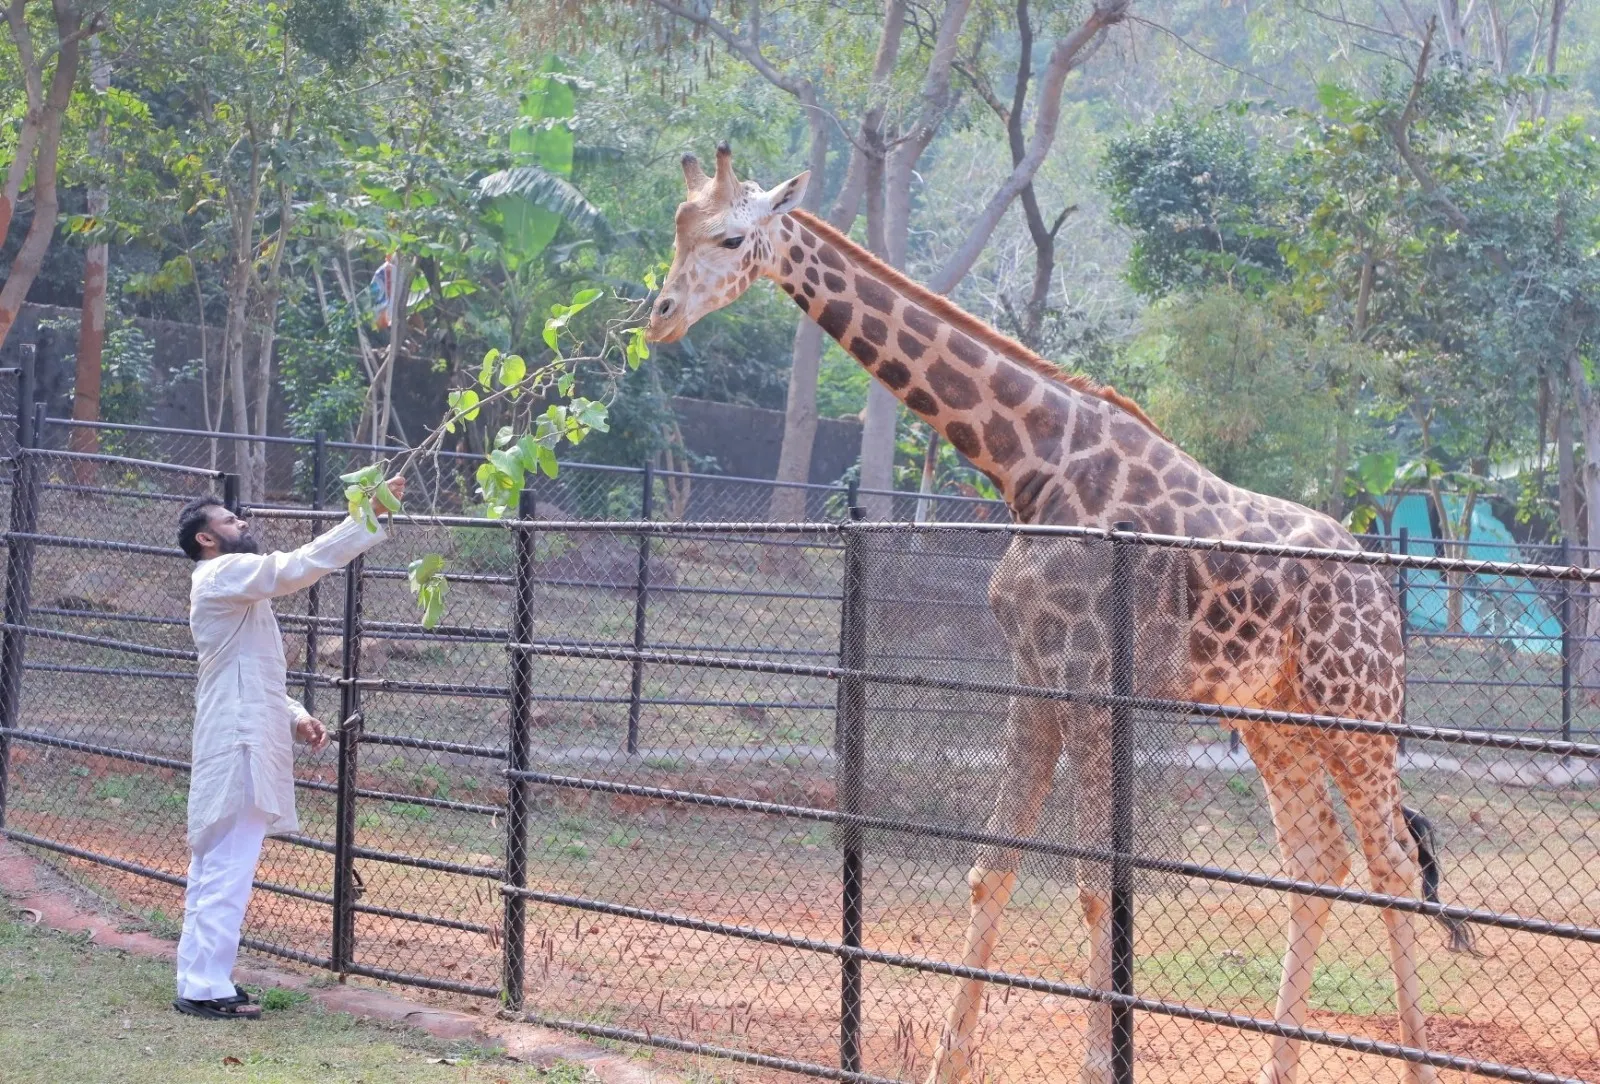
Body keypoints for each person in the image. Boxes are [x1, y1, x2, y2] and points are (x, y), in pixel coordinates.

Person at [171, 477, 404, 1020]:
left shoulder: (231, 588)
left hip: (238, 736)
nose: (241, 523)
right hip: (239, 744)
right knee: (227, 869)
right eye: (229, 520)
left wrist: (295, 716)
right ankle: (204, 986)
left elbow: (252, 673)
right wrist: (366, 516)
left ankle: (199, 979)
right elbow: (297, 566)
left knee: (215, 868)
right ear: (207, 538)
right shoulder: (223, 573)